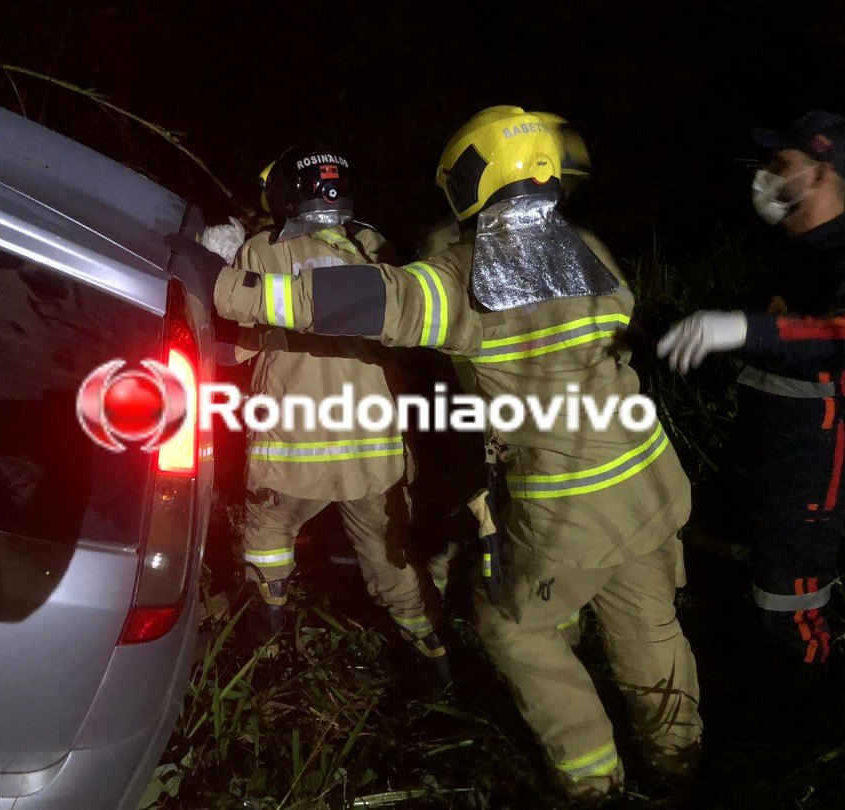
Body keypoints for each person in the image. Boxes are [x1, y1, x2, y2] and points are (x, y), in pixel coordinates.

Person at [209, 107, 702, 802]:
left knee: (509, 625)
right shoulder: (589, 248)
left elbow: (373, 300)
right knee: (651, 623)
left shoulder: (468, 278)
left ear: (475, 175)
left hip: (572, 506)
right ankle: (680, 762)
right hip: (652, 480)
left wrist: (234, 286)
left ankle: (595, 786)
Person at [658, 111, 845, 674]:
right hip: (754, 448)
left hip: (808, 461)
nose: (762, 175)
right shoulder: (785, 255)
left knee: (789, 604)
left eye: (779, 163)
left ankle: (809, 718)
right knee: (711, 560)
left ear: (817, 175)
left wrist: (744, 329)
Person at [217, 144, 449, 681]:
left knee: (269, 538)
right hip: (375, 452)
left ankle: (266, 652)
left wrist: (218, 264)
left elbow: (241, 347)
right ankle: (431, 659)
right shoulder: (373, 247)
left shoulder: (261, 251)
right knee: (390, 554)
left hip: (294, 454)